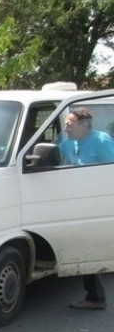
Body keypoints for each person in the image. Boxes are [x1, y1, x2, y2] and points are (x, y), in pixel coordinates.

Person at [59, 106, 114, 310]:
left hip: (97, 204)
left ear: (84, 125)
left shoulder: (101, 141)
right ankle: (95, 297)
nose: (66, 128)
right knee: (84, 248)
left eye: (69, 124)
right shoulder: (67, 144)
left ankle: (96, 298)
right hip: (76, 204)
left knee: (87, 248)